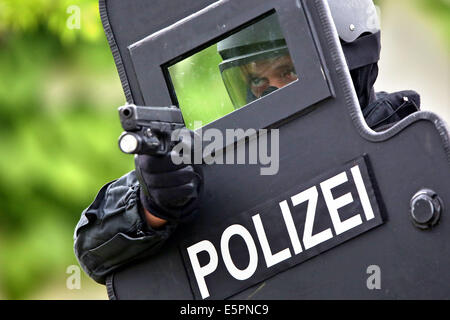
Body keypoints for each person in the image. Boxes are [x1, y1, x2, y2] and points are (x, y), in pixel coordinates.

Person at [73, 0, 420, 285]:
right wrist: (154, 209)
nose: (268, 92)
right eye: (255, 80)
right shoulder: (225, 160)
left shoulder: (412, 148)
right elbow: (92, 251)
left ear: (350, 64)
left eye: (287, 72)